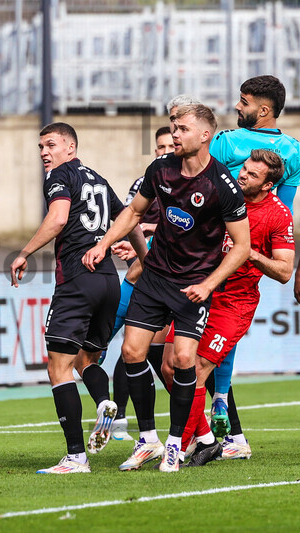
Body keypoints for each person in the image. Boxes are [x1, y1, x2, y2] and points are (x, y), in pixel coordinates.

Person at [82, 103, 250, 473]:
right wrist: (104, 242)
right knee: (131, 352)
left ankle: (176, 443)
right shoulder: (159, 169)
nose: (174, 134)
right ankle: (148, 440)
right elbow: (133, 212)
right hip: (155, 277)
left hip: (194, 286)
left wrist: (208, 284)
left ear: (205, 135)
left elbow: (241, 246)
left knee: (184, 360)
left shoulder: (222, 185)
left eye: (183, 128)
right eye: (173, 127)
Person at [10, 122, 147, 473]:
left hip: (77, 280)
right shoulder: (99, 179)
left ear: (70, 147)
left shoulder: (60, 176)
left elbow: (57, 219)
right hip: (108, 282)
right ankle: (104, 404)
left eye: (51, 144)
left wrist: (25, 252)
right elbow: (129, 220)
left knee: (58, 366)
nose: (44, 152)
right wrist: (146, 261)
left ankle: (75, 457)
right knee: (86, 359)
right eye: (41, 146)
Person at [167, 150, 293, 467]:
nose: (242, 175)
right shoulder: (222, 194)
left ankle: (177, 450)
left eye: (251, 174)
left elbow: (284, 272)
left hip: (234, 301)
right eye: (244, 168)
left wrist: (250, 254)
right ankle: (207, 439)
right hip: (197, 291)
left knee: (195, 370)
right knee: (169, 367)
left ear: (267, 185)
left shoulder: (277, 215)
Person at [207, 75, 300, 439]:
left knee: (181, 346)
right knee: (205, 338)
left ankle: (208, 426)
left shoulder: (225, 142)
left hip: (214, 249)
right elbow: (286, 211)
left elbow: (197, 186)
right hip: (248, 250)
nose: (236, 107)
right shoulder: (293, 149)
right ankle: (224, 422)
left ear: (263, 110)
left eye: (243, 101)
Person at [106, 124, 178, 441]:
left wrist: (147, 235)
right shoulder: (145, 180)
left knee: (166, 358)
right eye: (159, 147)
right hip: (138, 277)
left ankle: (202, 419)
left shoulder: (192, 182)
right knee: (122, 347)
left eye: (169, 146)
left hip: (170, 279)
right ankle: (117, 417)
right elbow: (128, 216)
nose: (164, 152)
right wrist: (128, 241)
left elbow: (177, 228)